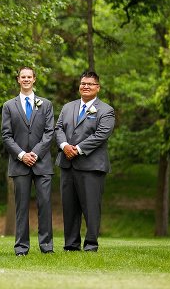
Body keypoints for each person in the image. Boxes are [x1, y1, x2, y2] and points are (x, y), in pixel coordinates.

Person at [55, 70, 115, 252]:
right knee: (70, 208)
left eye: (90, 84)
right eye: (83, 83)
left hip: (91, 167)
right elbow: (58, 128)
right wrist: (65, 145)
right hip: (67, 165)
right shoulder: (67, 107)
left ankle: (90, 245)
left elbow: (101, 135)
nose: (85, 86)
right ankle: (71, 245)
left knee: (91, 208)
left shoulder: (106, 110)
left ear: (98, 88)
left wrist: (78, 149)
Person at [1, 66, 55, 256]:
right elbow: (6, 135)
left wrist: (35, 153)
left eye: (29, 77)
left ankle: (47, 246)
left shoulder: (46, 104)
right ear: (18, 79)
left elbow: (50, 132)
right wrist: (22, 155)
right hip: (19, 164)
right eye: (22, 77)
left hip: (42, 164)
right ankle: (21, 247)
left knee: (45, 204)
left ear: (34, 80)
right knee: (21, 207)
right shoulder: (9, 106)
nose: (25, 80)